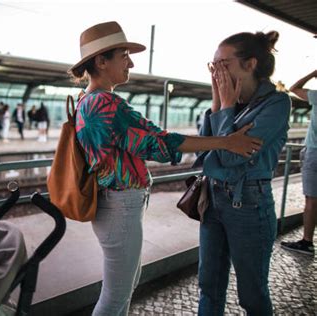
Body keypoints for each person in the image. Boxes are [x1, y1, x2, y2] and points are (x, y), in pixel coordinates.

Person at [68, 21, 262, 316]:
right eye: (124, 55)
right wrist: (225, 142)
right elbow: (158, 143)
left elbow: (153, 139)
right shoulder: (104, 103)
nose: (131, 62)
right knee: (115, 295)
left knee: (123, 286)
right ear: (101, 60)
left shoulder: (88, 100)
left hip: (116, 205)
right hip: (119, 206)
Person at [196, 31, 291, 315]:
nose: (217, 72)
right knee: (208, 286)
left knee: (251, 294)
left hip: (248, 205)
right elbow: (204, 153)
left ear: (250, 64)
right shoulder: (228, 103)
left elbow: (225, 156)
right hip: (213, 200)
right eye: (213, 66)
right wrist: (217, 102)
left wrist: (224, 107)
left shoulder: (277, 104)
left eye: (223, 63)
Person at [280, 69, 317, 256]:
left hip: (315, 153)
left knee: (311, 199)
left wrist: (313, 74)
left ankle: (307, 242)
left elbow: (294, 88)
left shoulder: (316, 96)